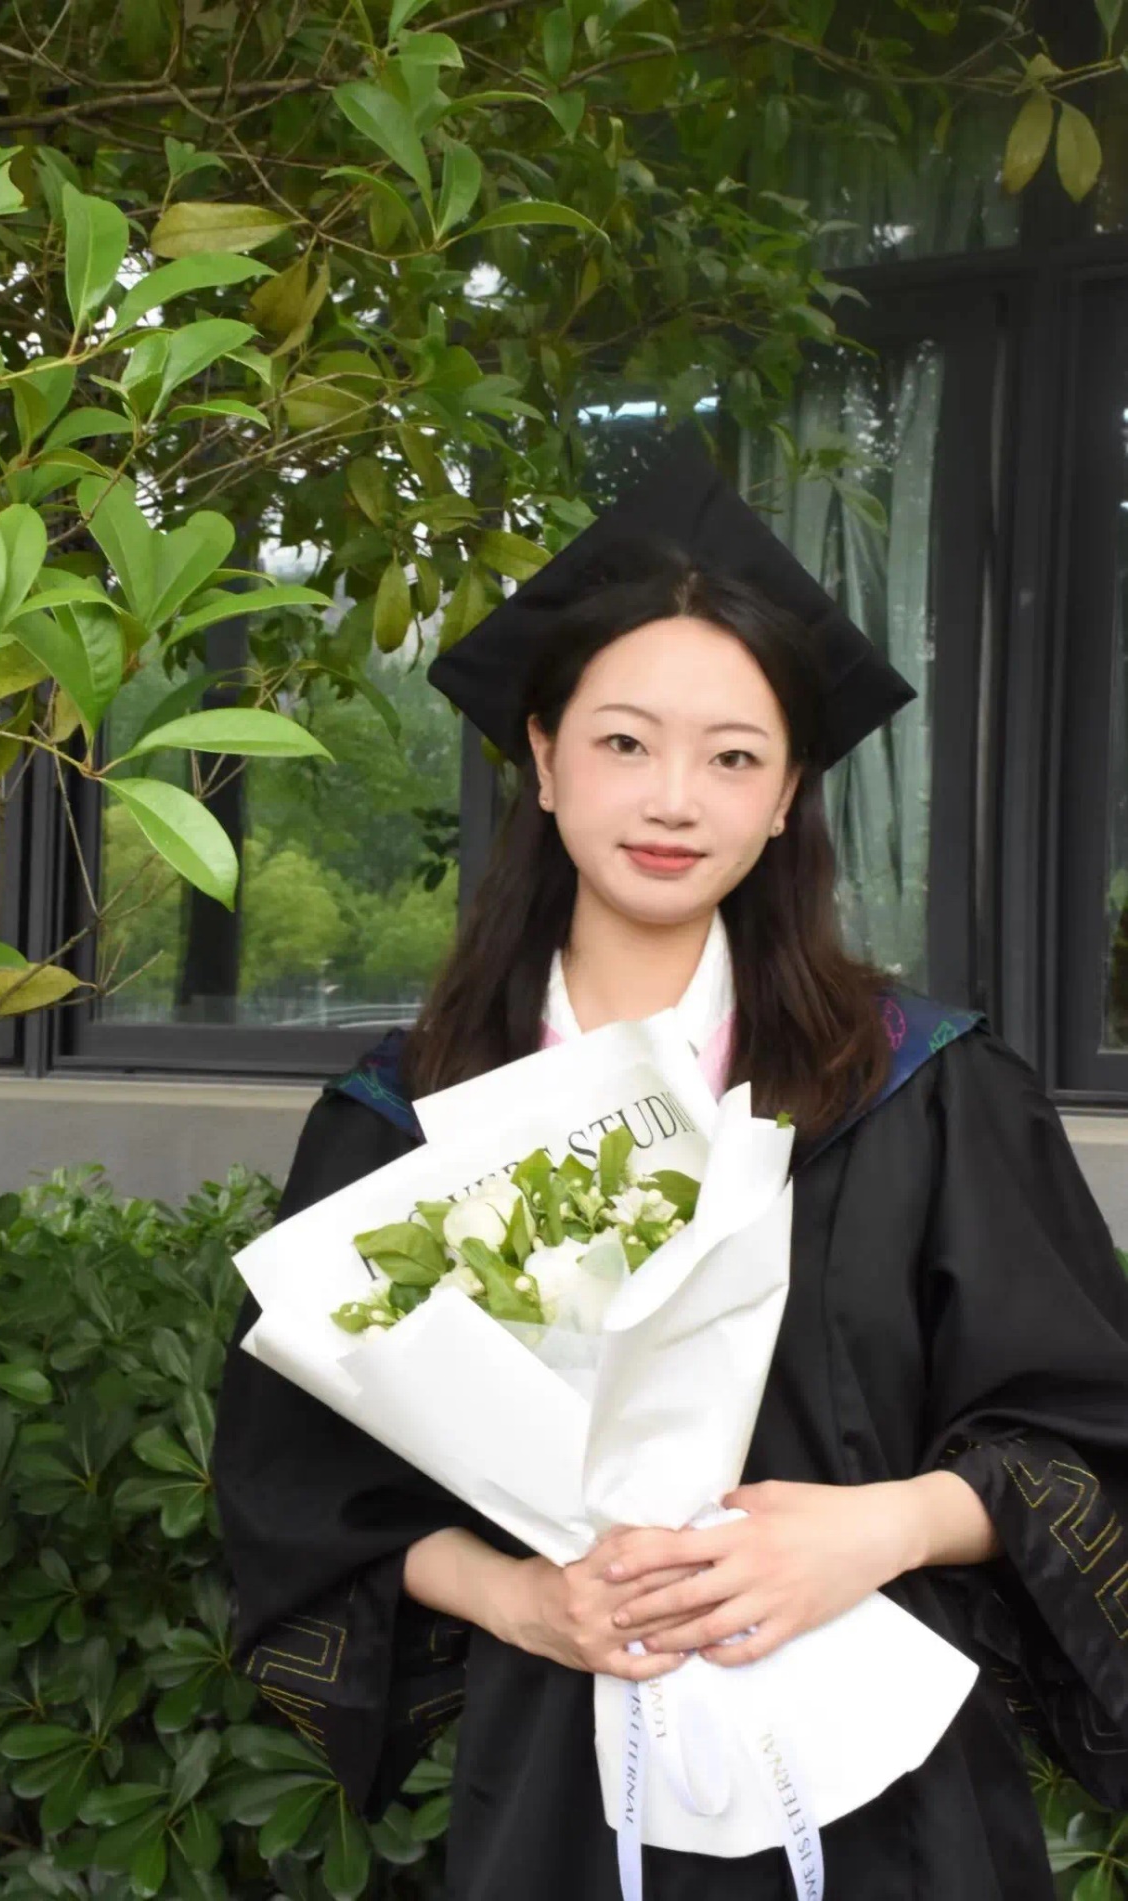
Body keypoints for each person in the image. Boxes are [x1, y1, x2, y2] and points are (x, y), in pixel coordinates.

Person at [212, 426, 1128, 1900]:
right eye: (625, 742)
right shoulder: (408, 1113)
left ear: (787, 794)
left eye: (734, 757)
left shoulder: (920, 1088)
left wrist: (877, 1528)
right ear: (543, 757)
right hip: (563, 1787)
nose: (674, 799)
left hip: (895, 1803)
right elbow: (297, 1484)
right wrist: (525, 1599)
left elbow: (1090, 1431)